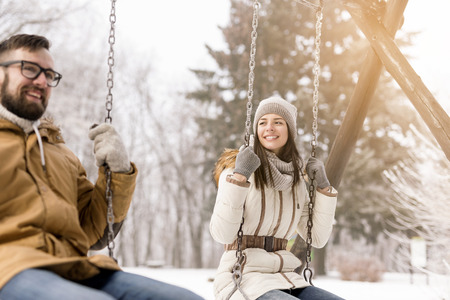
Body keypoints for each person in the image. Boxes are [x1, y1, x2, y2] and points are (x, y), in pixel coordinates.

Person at [0, 34, 202, 300]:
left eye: (49, 74)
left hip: (76, 268)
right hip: (10, 269)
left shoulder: (60, 154)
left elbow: (94, 231)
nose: (41, 80)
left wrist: (117, 172)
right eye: (29, 68)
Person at [210, 96, 344, 300]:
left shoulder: (296, 181)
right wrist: (239, 177)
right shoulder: (238, 171)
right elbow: (223, 234)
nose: (269, 128)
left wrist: (324, 187)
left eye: (278, 122)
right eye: (263, 122)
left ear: (290, 130)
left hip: (286, 277)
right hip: (242, 277)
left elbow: (316, 238)